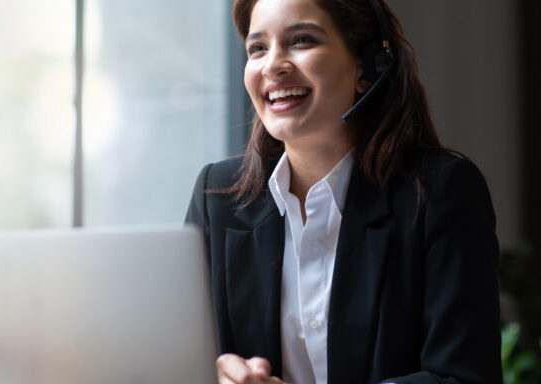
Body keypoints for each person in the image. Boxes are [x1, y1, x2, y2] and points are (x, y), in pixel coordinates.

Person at [184, 0, 501, 383]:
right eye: (258, 48)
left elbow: (463, 377)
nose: (272, 65)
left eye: (301, 40)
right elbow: (176, 356)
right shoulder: (217, 197)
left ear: (366, 68)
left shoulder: (440, 193)